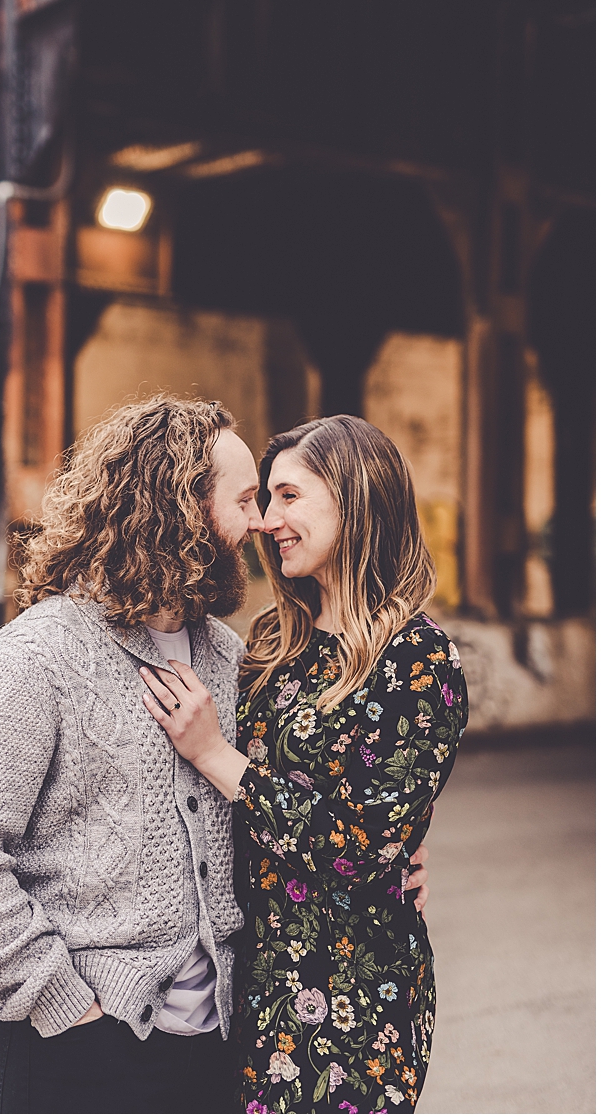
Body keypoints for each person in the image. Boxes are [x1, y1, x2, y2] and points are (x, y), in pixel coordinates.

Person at [0, 395, 428, 1114]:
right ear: (179, 503)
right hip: (83, 1047)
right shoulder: (36, 657)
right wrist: (63, 1004)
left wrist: (381, 863)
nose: (259, 521)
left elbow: (261, 808)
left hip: (219, 1050)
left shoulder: (229, 655)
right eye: (246, 498)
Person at [140, 415, 467, 1113]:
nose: (265, 520)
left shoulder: (416, 657)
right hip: (246, 982)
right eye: (263, 499)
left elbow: (357, 844)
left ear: (355, 499)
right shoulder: (271, 642)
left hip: (350, 994)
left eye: (289, 495)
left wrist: (214, 755)